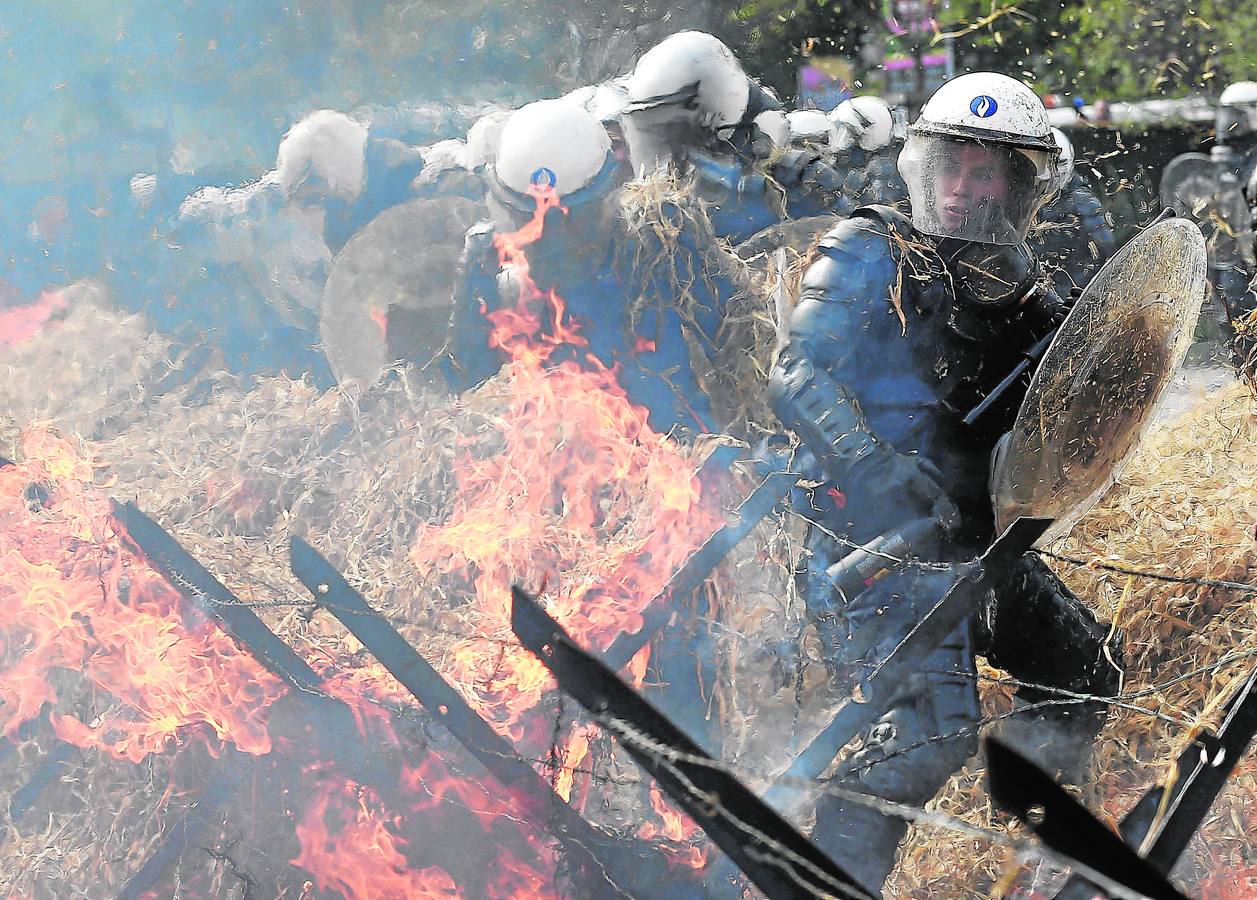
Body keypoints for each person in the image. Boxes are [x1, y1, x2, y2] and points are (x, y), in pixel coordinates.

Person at [768, 72, 1123, 894]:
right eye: (952, 168)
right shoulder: (870, 247)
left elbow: (1069, 408)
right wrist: (876, 464)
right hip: (867, 536)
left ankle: (1019, 858)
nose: (964, 189)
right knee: (926, 738)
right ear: (926, 171)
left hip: (967, 539)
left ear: (1017, 186)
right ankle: (831, 877)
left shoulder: (1024, 291)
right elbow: (793, 371)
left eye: (986, 173)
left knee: (1083, 672)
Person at [619, 31, 867, 242]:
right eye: (650, 124)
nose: (659, 137)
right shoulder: (646, 202)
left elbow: (855, 249)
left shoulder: (795, 178)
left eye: (668, 124)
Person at [1032, 127, 1116, 296]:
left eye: (1059, 164)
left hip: (1073, 294)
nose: (1052, 174)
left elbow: (1107, 252)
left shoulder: (1082, 202)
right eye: (1046, 166)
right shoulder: (1023, 197)